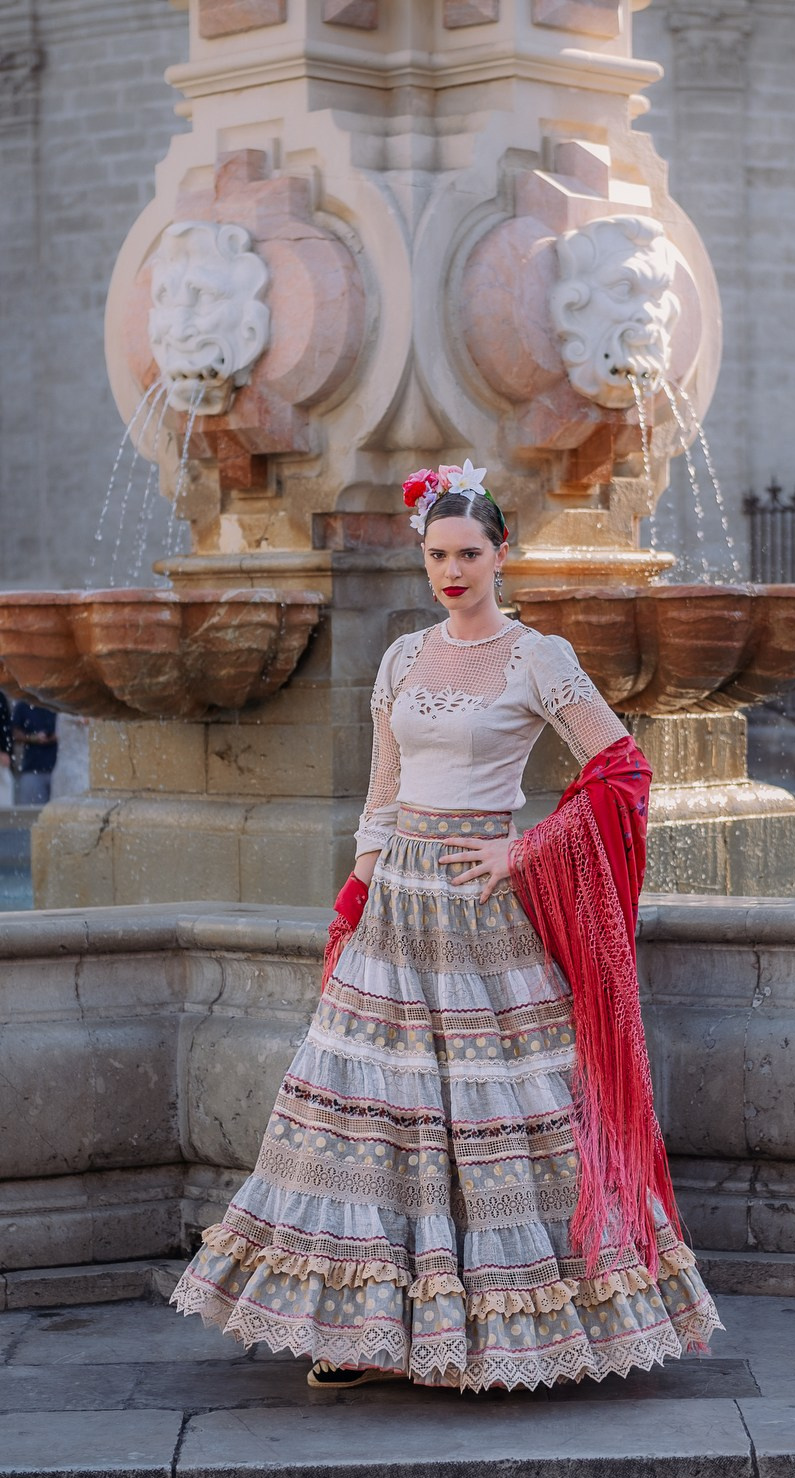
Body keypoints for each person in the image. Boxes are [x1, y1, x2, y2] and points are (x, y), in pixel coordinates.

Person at [170, 460, 721, 1391]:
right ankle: (364, 1327)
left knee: (489, 1107)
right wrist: (358, 890)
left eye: (469, 553)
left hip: (479, 910)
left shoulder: (538, 657)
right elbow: (383, 793)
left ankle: (505, 1333)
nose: (452, 571)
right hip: (397, 910)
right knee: (373, 1111)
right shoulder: (401, 658)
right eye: (437, 555)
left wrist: (524, 852)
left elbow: (623, 769)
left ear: (501, 554)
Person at [10, 700, 58, 805]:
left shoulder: (57, 704)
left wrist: (56, 736)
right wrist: (32, 738)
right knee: (31, 814)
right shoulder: (23, 704)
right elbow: (14, 732)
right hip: (32, 768)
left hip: (57, 769)